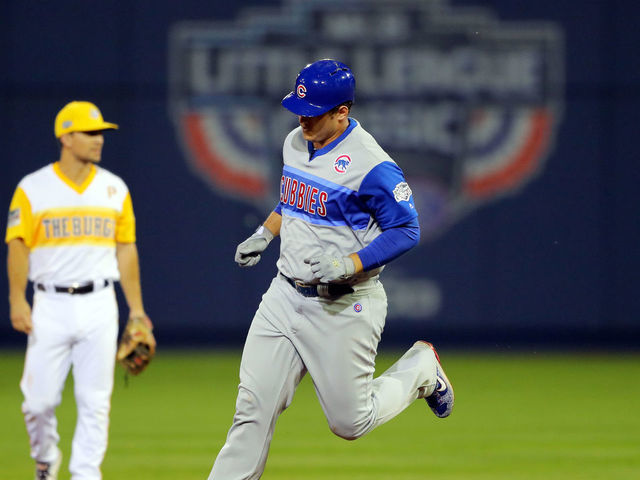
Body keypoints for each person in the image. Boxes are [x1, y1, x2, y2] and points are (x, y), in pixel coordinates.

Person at [207, 59, 454, 479]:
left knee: (349, 423)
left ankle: (421, 368)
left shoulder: (372, 165)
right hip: (284, 296)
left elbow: (407, 229)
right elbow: (294, 200)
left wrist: (349, 264)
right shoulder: (294, 142)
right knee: (252, 408)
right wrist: (266, 234)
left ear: (343, 111)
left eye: (314, 111)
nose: (303, 118)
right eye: (300, 108)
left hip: (343, 305)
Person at [6, 101, 152, 480]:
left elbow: (126, 249)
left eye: (101, 132)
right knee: (37, 403)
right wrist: (16, 299)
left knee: (95, 402)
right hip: (49, 303)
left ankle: (86, 474)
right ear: (66, 137)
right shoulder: (33, 188)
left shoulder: (114, 188)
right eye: (90, 132)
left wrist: (136, 310)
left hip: (100, 305)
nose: (98, 139)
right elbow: (18, 246)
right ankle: (45, 455)